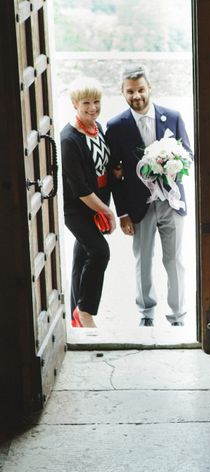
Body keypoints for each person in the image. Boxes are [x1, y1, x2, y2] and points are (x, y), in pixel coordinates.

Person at [106, 65, 193, 327]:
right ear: (122, 92)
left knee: (174, 259)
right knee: (143, 259)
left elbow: (189, 154)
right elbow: (113, 173)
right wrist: (122, 213)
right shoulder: (116, 125)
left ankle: (178, 315)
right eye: (130, 91)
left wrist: (172, 162)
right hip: (138, 205)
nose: (137, 96)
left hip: (171, 202)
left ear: (149, 88)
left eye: (141, 90)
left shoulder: (173, 117)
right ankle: (146, 313)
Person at [60, 77, 117, 328]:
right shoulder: (68, 138)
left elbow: (102, 164)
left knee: (81, 258)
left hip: (97, 203)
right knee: (99, 252)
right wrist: (108, 211)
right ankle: (85, 312)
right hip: (79, 209)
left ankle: (75, 315)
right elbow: (80, 189)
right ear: (74, 104)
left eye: (97, 101)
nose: (93, 107)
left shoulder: (98, 127)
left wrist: (114, 171)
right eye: (86, 103)